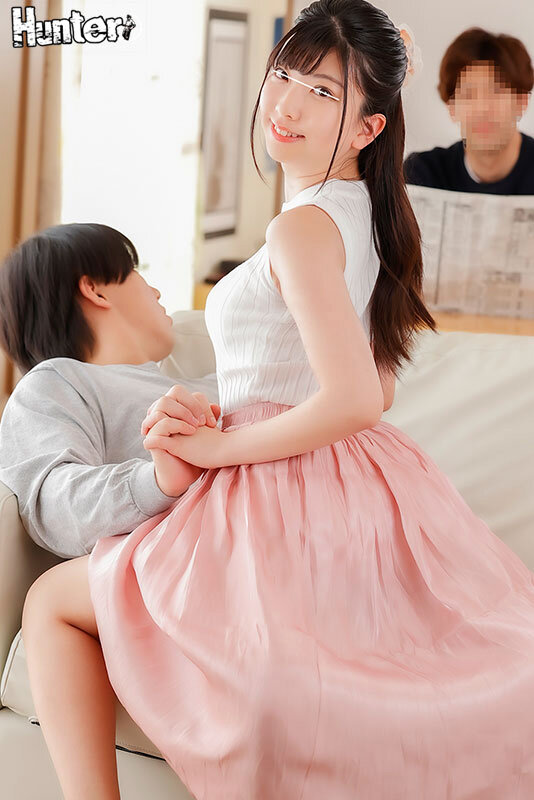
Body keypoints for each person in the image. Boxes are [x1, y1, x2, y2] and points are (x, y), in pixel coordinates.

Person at [22, 2, 534, 799]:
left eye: (323, 92)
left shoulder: (304, 228)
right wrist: (231, 413)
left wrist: (221, 443)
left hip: (280, 489)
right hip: (349, 484)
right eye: (284, 75)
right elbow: (375, 384)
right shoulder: (368, 217)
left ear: (367, 128)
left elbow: (356, 397)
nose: (286, 104)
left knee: (51, 602)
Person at [0, 222, 220, 558]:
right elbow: (55, 507)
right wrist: (157, 481)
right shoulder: (56, 383)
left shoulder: (212, 381)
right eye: (135, 272)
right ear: (95, 290)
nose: (156, 292)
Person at [404, 27, 534, 194]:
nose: (482, 109)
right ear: (452, 107)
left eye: (496, 92)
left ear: (522, 102)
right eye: (468, 94)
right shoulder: (423, 175)